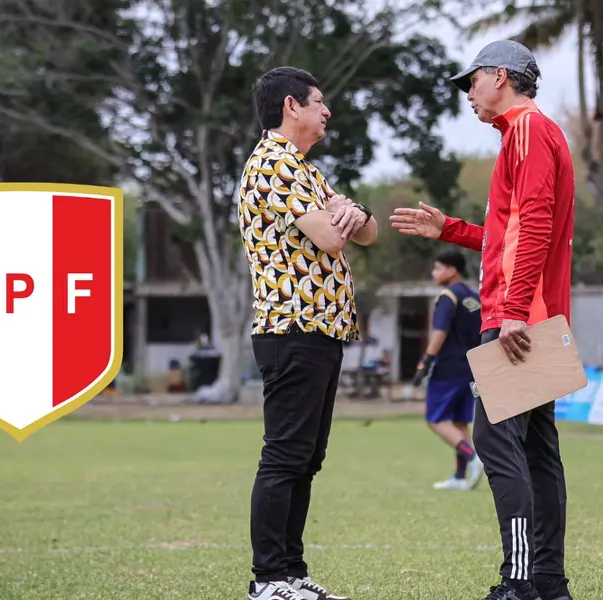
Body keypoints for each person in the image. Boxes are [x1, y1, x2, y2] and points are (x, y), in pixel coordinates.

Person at [389, 39, 575, 600]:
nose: (468, 92)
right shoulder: (532, 133)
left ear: (502, 76)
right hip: (541, 314)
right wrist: (450, 229)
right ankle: (548, 581)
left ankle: (520, 582)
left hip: (521, 315)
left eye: (471, 80)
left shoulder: (527, 131)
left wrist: (514, 310)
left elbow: (537, 224)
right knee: (538, 450)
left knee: (496, 444)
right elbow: (509, 233)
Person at [238, 66, 379, 600]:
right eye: (319, 102)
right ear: (291, 106)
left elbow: (367, 229)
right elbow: (332, 236)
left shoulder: (305, 170)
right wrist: (341, 215)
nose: (327, 111)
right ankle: (269, 578)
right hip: (291, 326)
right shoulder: (273, 165)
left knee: (305, 458)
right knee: (284, 455)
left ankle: (291, 573)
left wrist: (350, 212)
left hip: (320, 330)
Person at [413, 249, 486, 491]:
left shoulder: (448, 296)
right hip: (471, 365)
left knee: (435, 419)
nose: (434, 273)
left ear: (451, 270)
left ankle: (472, 457)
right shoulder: (474, 298)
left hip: (448, 366)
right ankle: (459, 477)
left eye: (437, 268)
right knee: (459, 420)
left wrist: (426, 361)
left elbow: (440, 332)